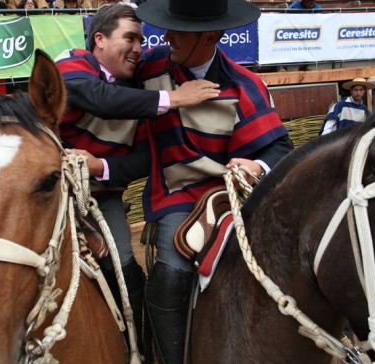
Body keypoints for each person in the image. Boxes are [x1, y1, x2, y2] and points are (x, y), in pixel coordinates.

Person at [105, 0, 292, 362]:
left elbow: (280, 150)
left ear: (211, 37)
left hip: (232, 194)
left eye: (180, 31)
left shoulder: (244, 85)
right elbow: (99, 82)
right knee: (170, 278)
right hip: (176, 197)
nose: (167, 35)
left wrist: (256, 167)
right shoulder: (151, 66)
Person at [55, 3, 220, 358]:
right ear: (98, 40)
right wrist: (173, 98)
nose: (138, 48)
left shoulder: (140, 95)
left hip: (103, 198)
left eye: (142, 41)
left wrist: (101, 167)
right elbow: (97, 97)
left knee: (125, 266)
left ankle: (133, 346)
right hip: (49, 191)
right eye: (129, 38)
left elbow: (144, 159)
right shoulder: (74, 63)